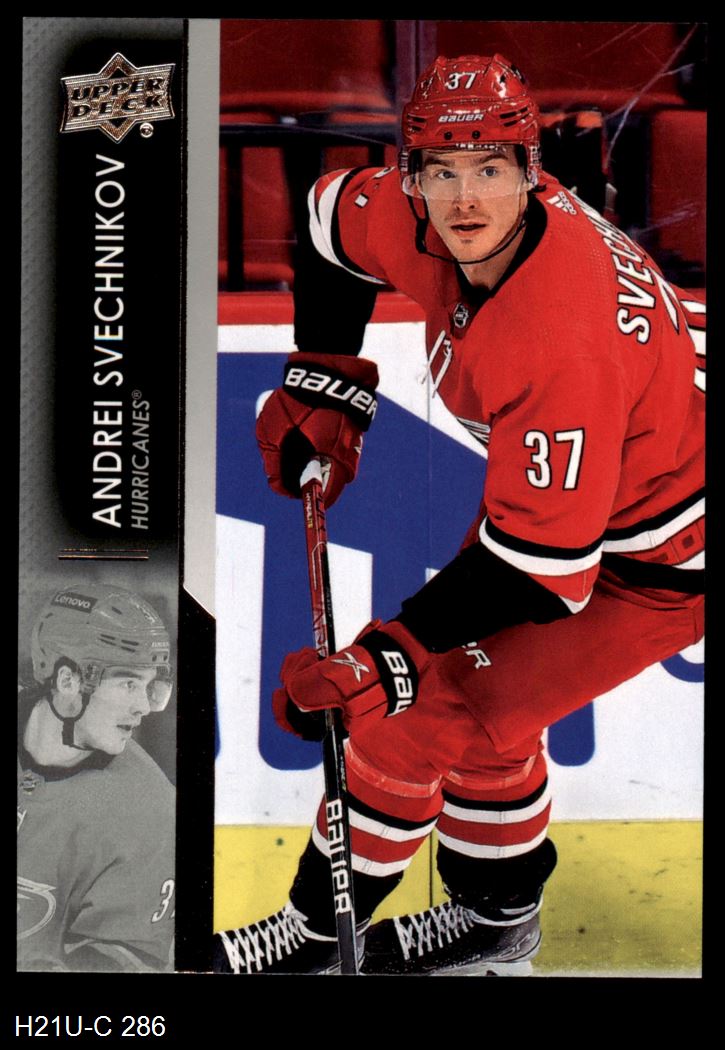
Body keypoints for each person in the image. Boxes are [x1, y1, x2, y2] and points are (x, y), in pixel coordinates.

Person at [214, 54, 705, 975]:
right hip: (609, 484)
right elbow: (325, 223)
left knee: (415, 714)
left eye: (489, 169)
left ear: (531, 172)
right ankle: (495, 923)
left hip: (665, 558)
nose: (464, 197)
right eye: (440, 169)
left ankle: (314, 937)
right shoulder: (416, 216)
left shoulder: (561, 336)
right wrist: (327, 377)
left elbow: (540, 575)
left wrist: (384, 655)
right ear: (411, 176)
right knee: (486, 713)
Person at [17, 583, 176, 972]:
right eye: (128, 683)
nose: (143, 707)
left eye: (150, 687)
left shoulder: (151, 809)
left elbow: (121, 959)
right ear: (68, 680)